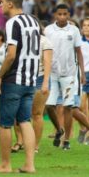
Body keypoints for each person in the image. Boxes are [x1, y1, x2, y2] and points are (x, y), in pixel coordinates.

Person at [0, 0, 40, 173]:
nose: (0, 5)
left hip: (14, 79)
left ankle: (5, 164)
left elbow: (11, 54)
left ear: (10, 3)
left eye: (1, 2)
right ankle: (29, 164)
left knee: (5, 123)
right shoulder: (34, 22)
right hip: (30, 80)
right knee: (25, 121)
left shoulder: (12, 23)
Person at [44, 3, 86, 150]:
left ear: (69, 15)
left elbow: (79, 52)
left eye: (65, 14)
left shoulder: (74, 30)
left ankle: (66, 140)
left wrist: (83, 73)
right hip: (52, 74)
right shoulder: (48, 30)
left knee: (68, 107)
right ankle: (59, 129)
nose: (62, 17)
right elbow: (44, 52)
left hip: (69, 74)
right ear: (55, 15)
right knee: (49, 106)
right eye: (59, 14)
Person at [32, 24, 53, 152]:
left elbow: (47, 63)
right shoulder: (22, 39)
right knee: (21, 114)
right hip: (24, 78)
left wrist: (45, 82)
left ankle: (35, 145)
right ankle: (21, 141)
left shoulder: (44, 41)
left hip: (39, 79)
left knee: (37, 114)